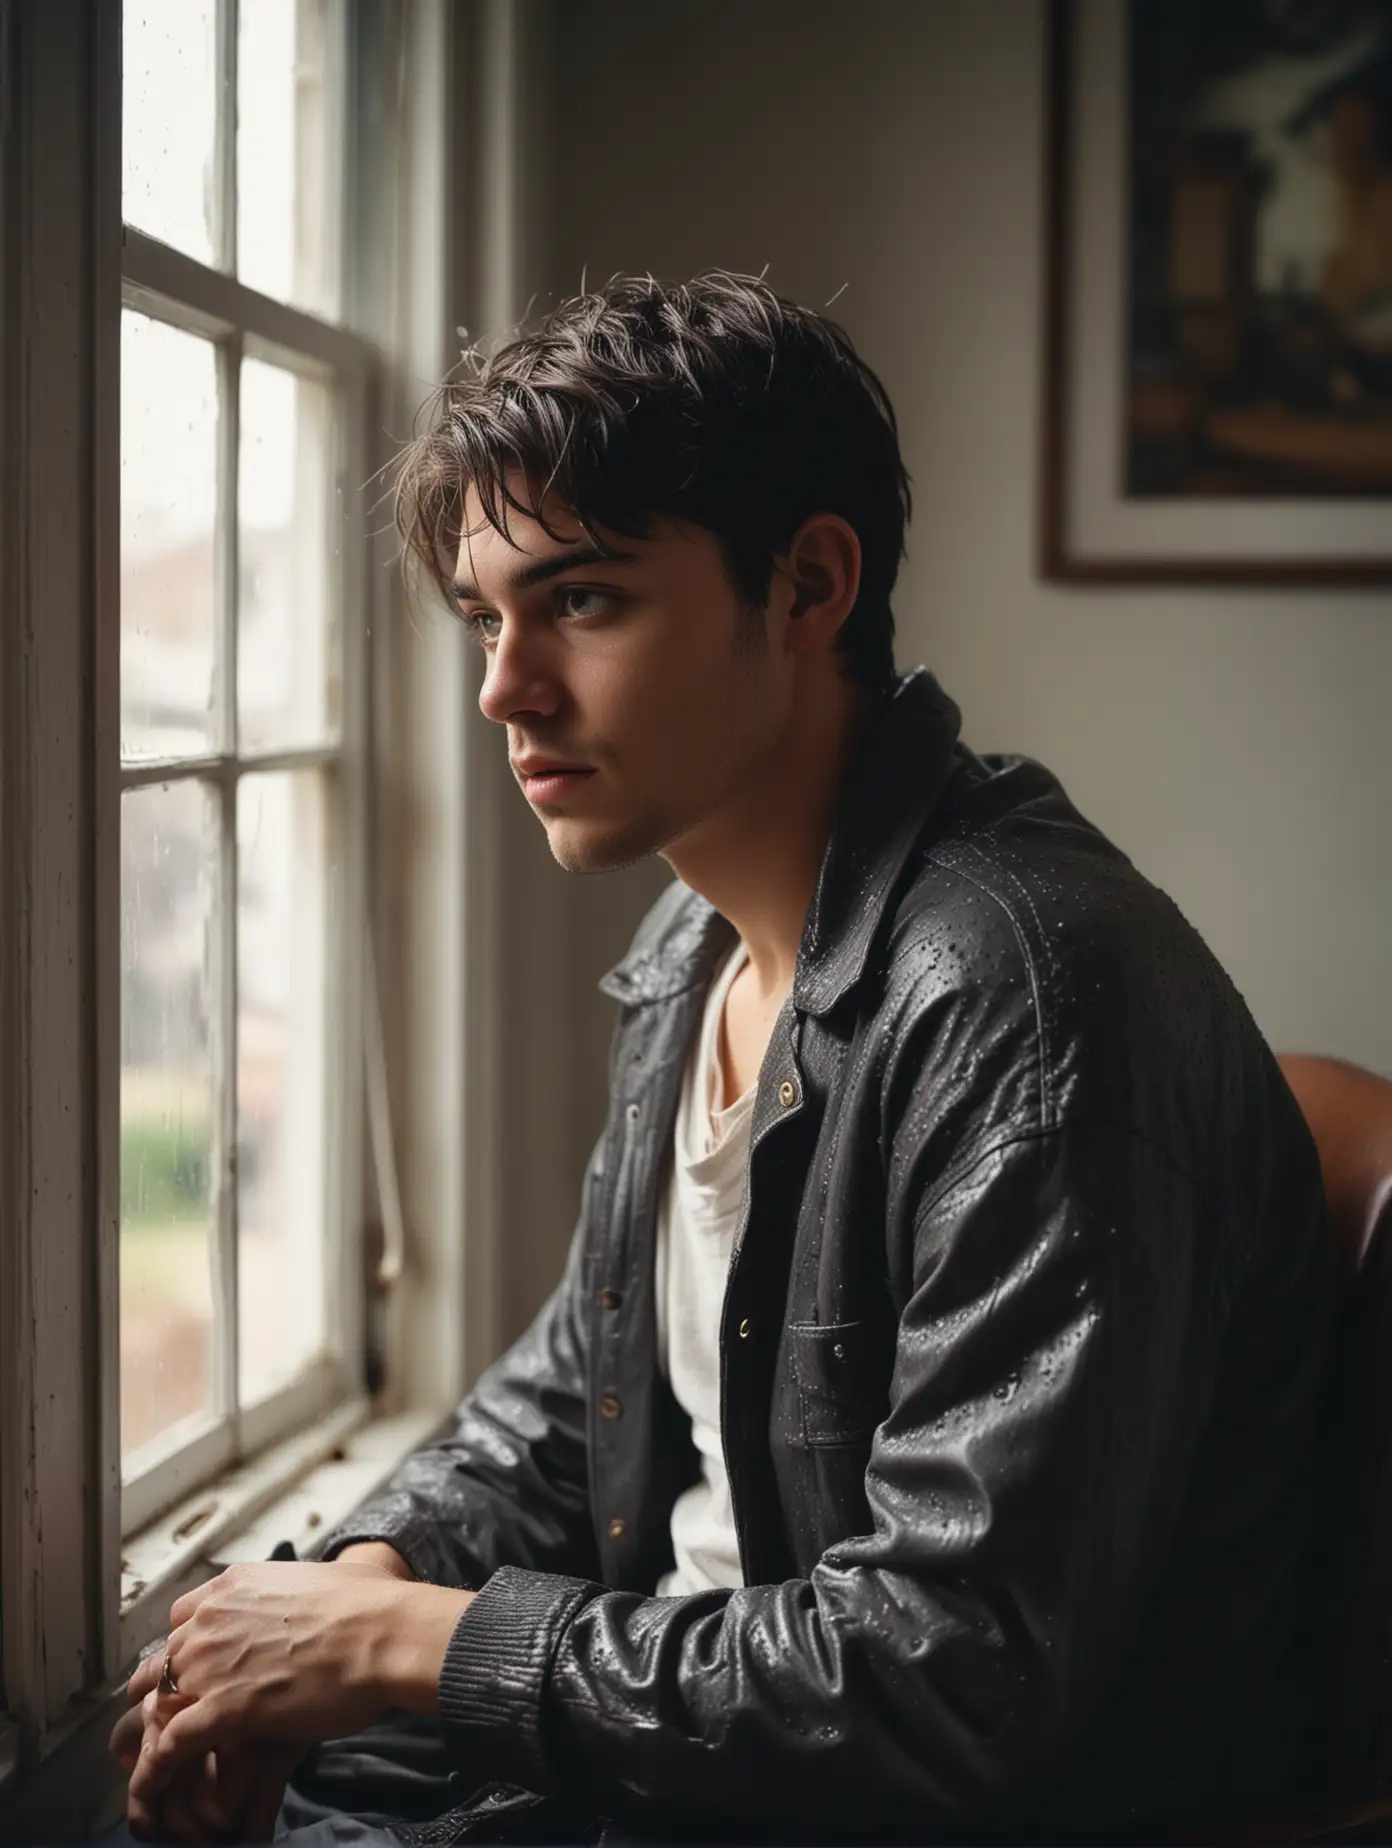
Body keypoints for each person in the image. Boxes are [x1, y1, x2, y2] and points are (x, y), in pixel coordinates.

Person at [113, 271, 1334, 1845]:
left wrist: (419, 1650)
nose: (503, 687)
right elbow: (567, 1413)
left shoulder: (1023, 994)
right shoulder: (696, 955)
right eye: (488, 617)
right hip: (690, 1749)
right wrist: (354, 1592)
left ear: (808, 586)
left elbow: (961, 1684)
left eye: (585, 600)